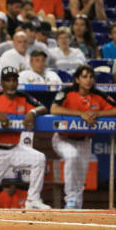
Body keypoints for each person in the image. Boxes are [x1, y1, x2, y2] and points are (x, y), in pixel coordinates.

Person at [0, 66, 51, 209]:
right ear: (2, 82)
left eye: (14, 80)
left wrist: (32, 112)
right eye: (8, 80)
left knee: (39, 159)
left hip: (15, 149)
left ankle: (33, 199)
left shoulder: (23, 97)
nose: (11, 83)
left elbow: (43, 107)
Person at [50, 64, 116, 209]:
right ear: (77, 79)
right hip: (63, 138)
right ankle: (70, 200)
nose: (88, 80)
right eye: (85, 77)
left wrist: (98, 114)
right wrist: (80, 114)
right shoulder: (67, 92)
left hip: (85, 140)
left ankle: (76, 206)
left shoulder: (98, 95)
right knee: (72, 156)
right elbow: (54, 108)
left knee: (81, 175)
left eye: (91, 77)